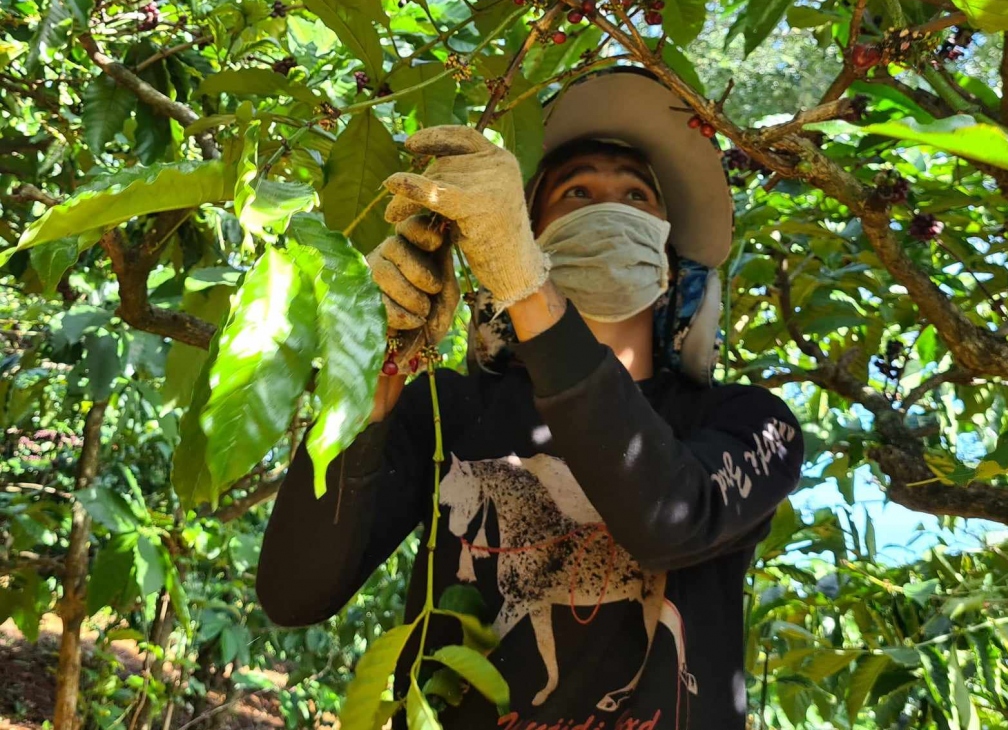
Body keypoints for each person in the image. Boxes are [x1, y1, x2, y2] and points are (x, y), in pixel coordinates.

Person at [257, 69, 804, 730]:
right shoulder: (450, 410)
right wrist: (363, 393)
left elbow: (669, 517)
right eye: (577, 191)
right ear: (527, 236)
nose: (610, 208)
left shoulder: (749, 424)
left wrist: (528, 291)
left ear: (669, 264)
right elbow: (293, 593)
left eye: (636, 195)